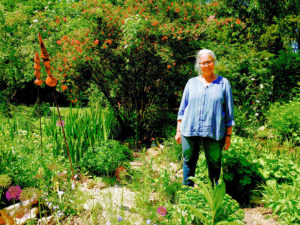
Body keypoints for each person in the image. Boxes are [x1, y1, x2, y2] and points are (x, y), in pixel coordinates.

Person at [175, 49, 235, 186]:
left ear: (214, 62)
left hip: (214, 131)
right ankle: (187, 194)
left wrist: (228, 136)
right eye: (203, 63)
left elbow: (229, 113)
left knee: (214, 164)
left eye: (209, 62)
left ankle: (213, 194)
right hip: (189, 129)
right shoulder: (191, 83)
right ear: (198, 65)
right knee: (188, 162)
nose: (206, 65)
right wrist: (178, 130)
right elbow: (182, 109)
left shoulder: (224, 83)